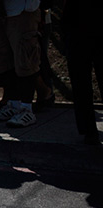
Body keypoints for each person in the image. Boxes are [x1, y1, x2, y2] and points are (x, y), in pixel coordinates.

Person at [0, 0, 41, 128]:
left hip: (21, 10)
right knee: (1, 60)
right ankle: (13, 104)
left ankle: (26, 109)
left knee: (24, 59)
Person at [61, 0, 102, 146]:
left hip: (77, 25)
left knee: (80, 84)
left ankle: (88, 130)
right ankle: (88, 130)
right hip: (80, 24)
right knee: (80, 83)